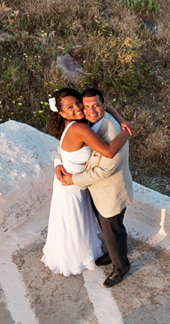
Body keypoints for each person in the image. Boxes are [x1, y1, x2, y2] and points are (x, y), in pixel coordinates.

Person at [42, 87, 131, 277]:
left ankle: (120, 267)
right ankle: (111, 255)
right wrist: (58, 163)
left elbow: (105, 167)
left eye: (78, 104)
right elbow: (62, 149)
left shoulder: (105, 127)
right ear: (62, 113)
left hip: (106, 190)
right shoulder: (80, 125)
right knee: (78, 228)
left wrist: (123, 126)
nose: (80, 109)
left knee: (112, 230)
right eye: (71, 107)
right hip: (74, 187)